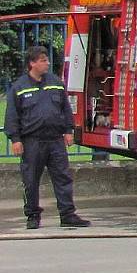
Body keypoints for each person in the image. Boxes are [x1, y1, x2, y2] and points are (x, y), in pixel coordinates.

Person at [4, 46, 90, 229]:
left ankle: (67, 214)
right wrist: (15, 139)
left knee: (63, 177)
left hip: (55, 140)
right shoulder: (19, 87)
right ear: (32, 63)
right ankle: (33, 215)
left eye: (46, 59)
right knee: (30, 179)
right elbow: (12, 115)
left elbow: (65, 108)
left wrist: (68, 130)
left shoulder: (56, 83)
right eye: (42, 60)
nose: (47, 63)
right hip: (32, 141)